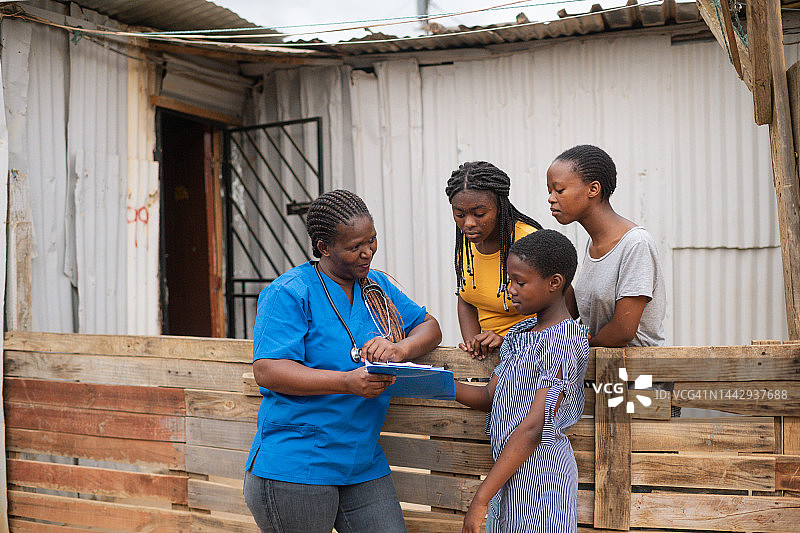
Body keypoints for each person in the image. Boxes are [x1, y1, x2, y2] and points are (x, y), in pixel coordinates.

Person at [243, 189, 442, 533]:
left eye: (372, 240)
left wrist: (399, 350)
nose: (368, 253)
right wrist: (346, 382)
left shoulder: (375, 286)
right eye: (354, 247)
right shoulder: (289, 292)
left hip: (361, 461)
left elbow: (429, 327)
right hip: (299, 463)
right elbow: (268, 370)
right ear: (323, 247)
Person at [454, 229, 589, 533]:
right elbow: (490, 396)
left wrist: (480, 499)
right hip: (508, 476)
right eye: (509, 281)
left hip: (541, 484)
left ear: (554, 283)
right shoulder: (519, 334)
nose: (510, 290)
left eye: (520, 282)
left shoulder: (564, 342)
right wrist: (434, 383)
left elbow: (533, 428)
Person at [546, 145, 677, 417]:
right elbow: (580, 315)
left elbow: (622, 330)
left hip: (640, 386)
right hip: (605, 381)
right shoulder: (591, 246)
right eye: (550, 191)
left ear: (593, 189)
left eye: (559, 190)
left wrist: (575, 348)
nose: (551, 199)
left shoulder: (635, 244)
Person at [445, 161, 543, 360]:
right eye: (460, 215)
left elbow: (562, 307)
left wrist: (510, 340)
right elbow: (466, 299)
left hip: (533, 358)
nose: (469, 223)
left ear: (499, 207)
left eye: (479, 214)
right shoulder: (466, 245)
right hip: (489, 360)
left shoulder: (529, 242)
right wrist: (475, 344)